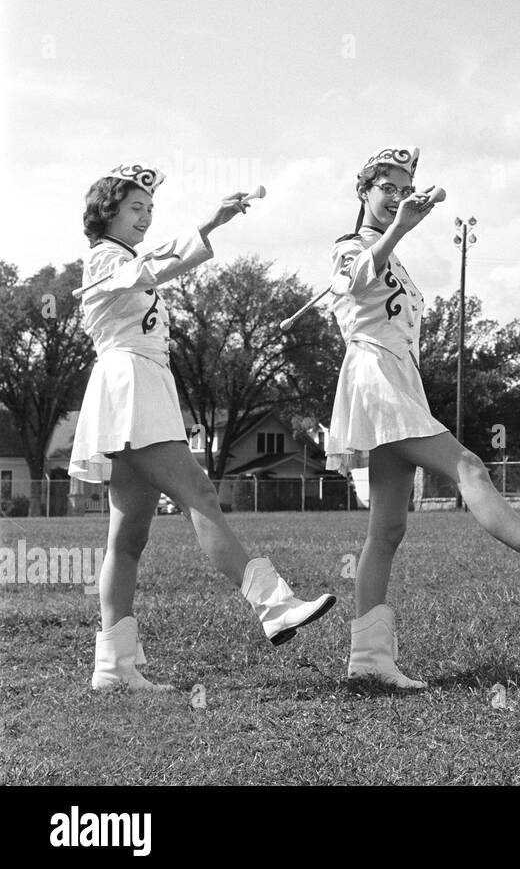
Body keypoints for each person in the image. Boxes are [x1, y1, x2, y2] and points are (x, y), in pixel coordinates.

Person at [326, 147, 520, 689]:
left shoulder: (389, 251)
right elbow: (355, 284)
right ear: (363, 191)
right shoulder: (352, 246)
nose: (396, 196)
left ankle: (368, 657)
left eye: (404, 187)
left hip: (397, 375)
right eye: (386, 187)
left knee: (387, 527)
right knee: (469, 467)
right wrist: (399, 230)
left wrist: (398, 233)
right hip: (374, 376)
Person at [72, 164, 337, 691]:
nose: (145, 216)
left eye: (150, 209)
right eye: (135, 208)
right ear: (107, 212)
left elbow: (148, 269)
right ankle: (273, 602)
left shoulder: (124, 258)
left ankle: (113, 666)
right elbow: (151, 268)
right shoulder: (107, 256)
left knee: (127, 540)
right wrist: (209, 224)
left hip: (142, 384)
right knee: (199, 494)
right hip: (129, 385)